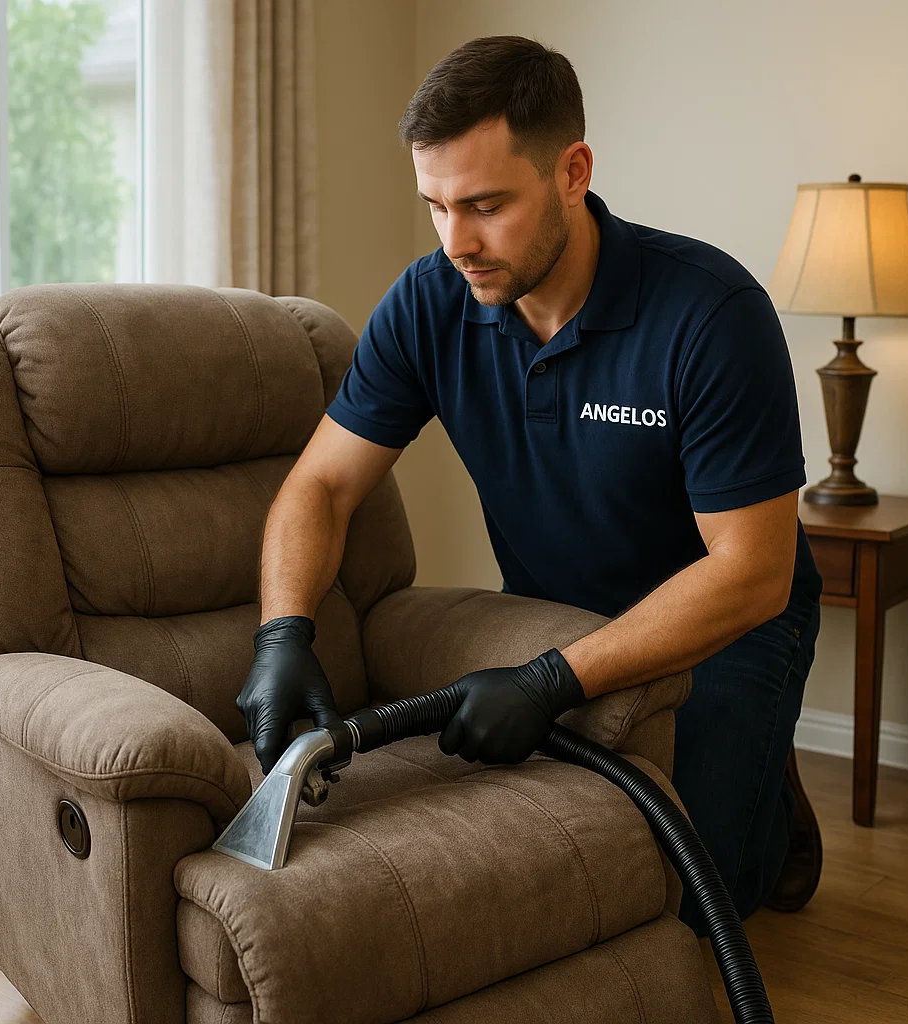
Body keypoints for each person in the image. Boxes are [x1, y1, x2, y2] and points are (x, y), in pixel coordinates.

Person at [235, 35, 823, 934]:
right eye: (435, 206)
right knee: (563, 870)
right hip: (551, 617)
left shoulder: (709, 313)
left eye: (485, 205)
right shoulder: (432, 301)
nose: (455, 242)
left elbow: (751, 572)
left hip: (724, 632)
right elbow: (320, 487)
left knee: (699, 909)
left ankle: (767, 799)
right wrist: (284, 632)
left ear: (573, 171)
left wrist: (552, 681)